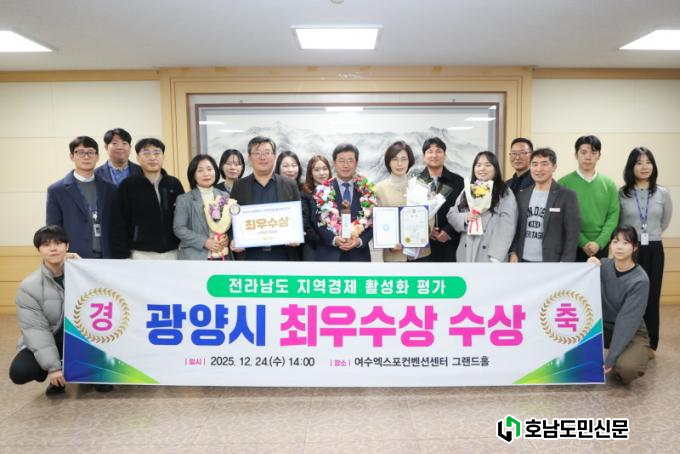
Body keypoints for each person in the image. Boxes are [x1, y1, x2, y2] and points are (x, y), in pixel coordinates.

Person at [9, 226, 113, 394]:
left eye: (58, 243)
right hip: (53, 337)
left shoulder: (82, 275)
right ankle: (59, 376)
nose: (53, 248)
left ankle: (92, 373)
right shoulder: (29, 287)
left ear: (67, 246)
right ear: (38, 250)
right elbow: (36, 330)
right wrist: (53, 368)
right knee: (20, 371)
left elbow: (109, 290)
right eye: (46, 244)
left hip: (86, 336)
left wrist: (82, 266)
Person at [619, 147, 673, 355]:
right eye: (639, 162)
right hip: (629, 250)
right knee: (629, 297)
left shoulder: (663, 193)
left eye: (648, 162)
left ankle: (651, 344)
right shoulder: (622, 193)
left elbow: (664, 221)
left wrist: (651, 234)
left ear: (653, 166)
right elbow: (619, 223)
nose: (644, 167)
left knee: (652, 295)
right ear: (631, 166)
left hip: (654, 249)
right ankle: (628, 341)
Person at [588, 226, 650, 385]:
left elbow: (626, 322)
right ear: (610, 245)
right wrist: (588, 267)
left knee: (627, 369)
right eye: (615, 242)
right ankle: (617, 353)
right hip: (604, 327)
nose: (619, 247)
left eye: (626, 243)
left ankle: (631, 354)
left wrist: (611, 358)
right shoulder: (602, 265)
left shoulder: (640, 280)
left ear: (635, 247)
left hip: (633, 331)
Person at [110, 138, 185, 259]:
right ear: (138, 158)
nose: (152, 157)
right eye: (146, 153)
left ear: (163, 156)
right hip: (140, 253)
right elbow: (119, 222)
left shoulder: (174, 184)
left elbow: (183, 217)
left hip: (173, 251)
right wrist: (122, 255)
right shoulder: (128, 185)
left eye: (157, 153)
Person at [229, 136, 301, 261]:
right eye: (257, 153)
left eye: (267, 153)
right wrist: (233, 239)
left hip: (284, 254)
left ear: (274, 156)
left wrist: (297, 233)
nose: (262, 157)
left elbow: (300, 216)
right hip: (250, 255)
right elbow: (231, 218)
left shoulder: (290, 184)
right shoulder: (239, 186)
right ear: (249, 157)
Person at [46, 136, 116, 258]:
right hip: (74, 257)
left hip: (107, 256)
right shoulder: (57, 190)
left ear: (97, 157)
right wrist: (61, 254)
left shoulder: (110, 188)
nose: (86, 157)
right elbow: (53, 229)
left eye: (90, 152)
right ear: (72, 156)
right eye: (80, 152)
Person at [509, 148, 580, 262]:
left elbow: (573, 234)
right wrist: (513, 252)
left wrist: (566, 262)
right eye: (535, 164)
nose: (539, 169)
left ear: (554, 167)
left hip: (553, 261)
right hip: (522, 259)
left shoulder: (567, 196)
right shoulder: (522, 195)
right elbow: (516, 228)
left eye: (544, 164)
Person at [447, 151, 517, 262]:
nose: (482, 169)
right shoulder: (467, 190)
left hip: (490, 254)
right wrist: (466, 217)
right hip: (466, 250)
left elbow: (507, 226)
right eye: (478, 165)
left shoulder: (504, 192)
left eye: (488, 165)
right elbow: (452, 215)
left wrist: (495, 256)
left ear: (495, 168)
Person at [559, 135, 620, 261]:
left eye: (593, 153)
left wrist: (600, 242)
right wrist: (582, 242)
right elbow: (562, 216)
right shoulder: (563, 183)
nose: (588, 157)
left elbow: (613, 215)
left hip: (601, 245)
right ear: (576, 155)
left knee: (601, 274)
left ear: (599, 156)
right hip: (572, 244)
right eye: (583, 152)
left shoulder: (609, 184)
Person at [313, 143, 374, 262]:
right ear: (334, 163)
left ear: (356, 163)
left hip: (359, 256)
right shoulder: (322, 191)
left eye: (350, 160)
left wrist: (359, 241)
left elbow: (373, 221)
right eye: (341, 161)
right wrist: (334, 239)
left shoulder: (367, 190)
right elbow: (316, 222)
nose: (346, 165)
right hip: (329, 256)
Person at [414, 137, 464, 262]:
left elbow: (463, 209)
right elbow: (412, 212)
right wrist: (427, 230)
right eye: (430, 151)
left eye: (439, 151)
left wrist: (449, 231)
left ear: (445, 155)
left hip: (450, 243)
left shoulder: (457, 181)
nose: (434, 155)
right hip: (423, 245)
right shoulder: (415, 182)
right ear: (424, 156)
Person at [173, 154, 231, 260]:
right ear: (193, 175)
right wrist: (204, 242)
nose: (206, 174)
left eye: (209, 169)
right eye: (200, 170)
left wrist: (226, 237)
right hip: (194, 257)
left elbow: (229, 225)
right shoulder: (184, 199)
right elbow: (179, 228)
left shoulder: (225, 196)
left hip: (222, 255)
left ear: (215, 171)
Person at [374, 140, 415, 262]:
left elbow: (429, 217)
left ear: (409, 161)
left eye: (404, 159)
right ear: (389, 162)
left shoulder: (419, 186)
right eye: (395, 159)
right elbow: (376, 222)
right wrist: (388, 243)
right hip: (393, 255)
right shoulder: (379, 188)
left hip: (419, 255)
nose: (399, 163)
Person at [301, 155, 331, 261]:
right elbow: (306, 224)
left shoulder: (335, 189)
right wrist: (322, 241)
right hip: (313, 245)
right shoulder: (305, 194)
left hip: (334, 246)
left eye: (325, 169)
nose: (321, 173)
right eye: (317, 170)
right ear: (311, 173)